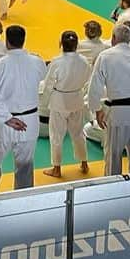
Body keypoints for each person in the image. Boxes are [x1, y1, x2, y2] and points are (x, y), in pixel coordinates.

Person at [0, 25, 46, 195]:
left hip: (5, 123)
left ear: (6, 42)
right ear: (24, 40)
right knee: (25, 166)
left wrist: (7, 117)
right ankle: (22, 201)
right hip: (29, 121)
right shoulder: (38, 62)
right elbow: (42, 80)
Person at [87, 23, 130, 175]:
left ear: (113, 38)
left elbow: (95, 87)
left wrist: (97, 110)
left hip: (120, 113)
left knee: (113, 156)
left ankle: (112, 189)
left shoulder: (105, 56)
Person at [42, 30, 91, 178]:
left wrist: (44, 102)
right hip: (76, 98)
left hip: (59, 101)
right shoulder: (84, 61)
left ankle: (56, 168)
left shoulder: (57, 62)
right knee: (78, 133)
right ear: (77, 45)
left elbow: (48, 84)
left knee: (57, 134)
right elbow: (87, 80)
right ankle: (84, 163)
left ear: (61, 44)